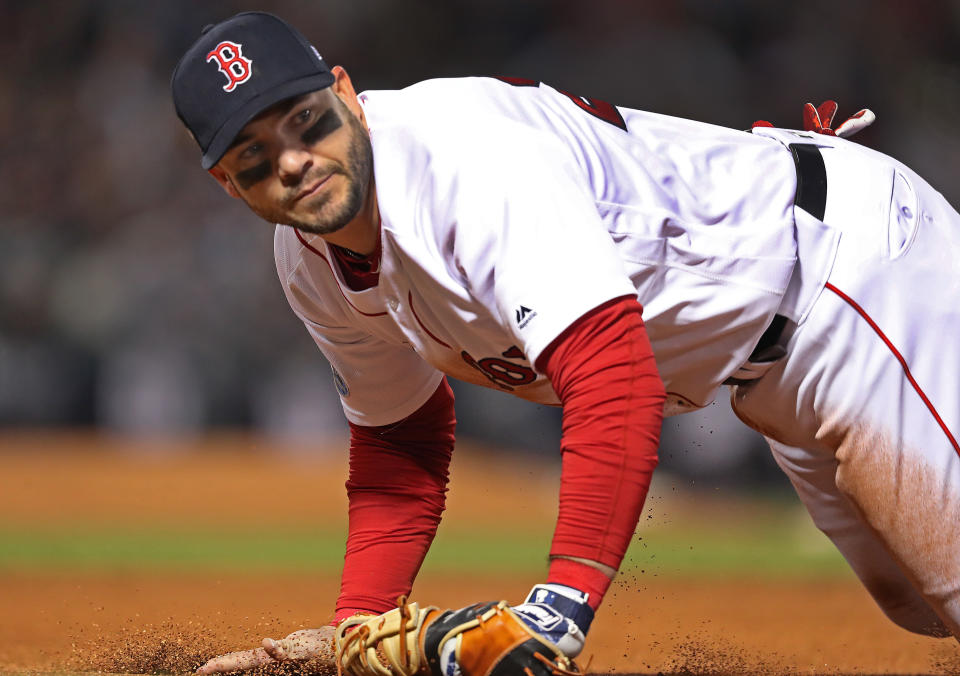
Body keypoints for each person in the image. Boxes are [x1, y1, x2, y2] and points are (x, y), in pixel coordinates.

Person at [171, 11, 960, 674]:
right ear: (227, 183)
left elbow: (615, 378)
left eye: (307, 121)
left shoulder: (462, 164)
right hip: (770, 360)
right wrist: (354, 635)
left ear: (345, 92)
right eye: (256, 155)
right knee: (918, 608)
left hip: (848, 272)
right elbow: (400, 445)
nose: (296, 160)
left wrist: (560, 611)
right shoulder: (310, 257)